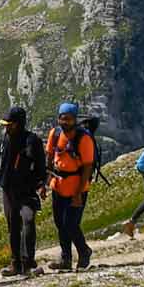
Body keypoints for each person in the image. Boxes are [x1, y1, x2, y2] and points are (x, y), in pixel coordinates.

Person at [0, 105, 47, 277]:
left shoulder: (32, 141)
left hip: (27, 190)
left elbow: (40, 166)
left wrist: (40, 184)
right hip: (8, 189)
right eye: (5, 124)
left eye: (10, 124)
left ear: (19, 123)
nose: (6, 127)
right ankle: (15, 264)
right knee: (13, 226)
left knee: (28, 220)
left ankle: (28, 263)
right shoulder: (6, 139)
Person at [43, 102, 95, 270]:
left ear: (75, 120)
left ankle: (84, 251)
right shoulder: (55, 133)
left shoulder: (84, 138)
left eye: (69, 119)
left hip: (77, 188)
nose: (65, 122)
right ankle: (66, 259)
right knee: (60, 223)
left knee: (71, 224)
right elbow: (50, 157)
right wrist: (45, 182)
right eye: (62, 118)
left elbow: (87, 166)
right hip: (58, 186)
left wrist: (79, 193)